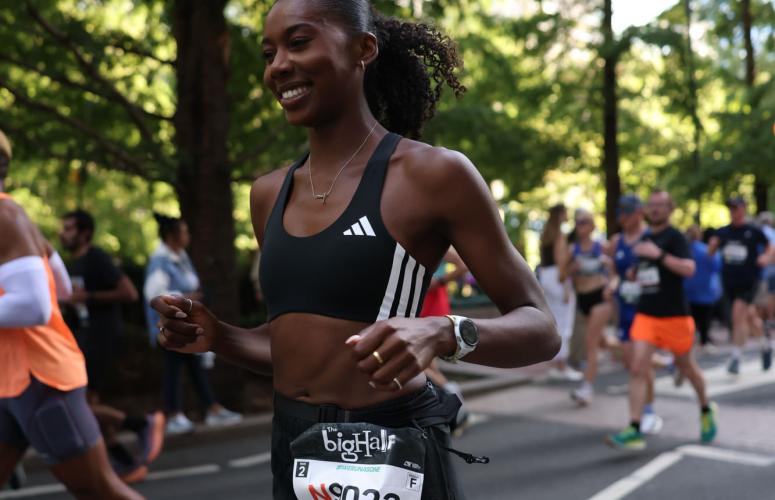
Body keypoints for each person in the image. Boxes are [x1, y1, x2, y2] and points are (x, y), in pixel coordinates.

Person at [151, 1, 560, 497]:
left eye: (299, 42)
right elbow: (300, 352)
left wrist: (442, 331)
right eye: (268, 52)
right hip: (294, 445)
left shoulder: (432, 176)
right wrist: (220, 337)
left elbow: (541, 329)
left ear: (364, 49)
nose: (278, 65)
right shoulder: (268, 194)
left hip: (392, 443)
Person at [0, 129, 143, 498]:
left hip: (41, 381)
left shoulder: (4, 215)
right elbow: (62, 287)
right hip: (10, 382)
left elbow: (35, 305)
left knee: (101, 491)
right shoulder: (18, 218)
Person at [606, 190, 717, 450]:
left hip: (675, 315)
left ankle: (706, 408)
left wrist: (659, 256)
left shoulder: (675, 237)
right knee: (637, 367)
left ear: (670, 209)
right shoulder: (644, 238)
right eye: (651, 205)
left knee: (687, 368)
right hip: (646, 314)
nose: (655, 209)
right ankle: (634, 427)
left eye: (660, 205)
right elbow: (644, 271)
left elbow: (689, 269)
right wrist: (634, 273)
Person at [59, 210, 164, 479]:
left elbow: (129, 292)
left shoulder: (97, 258)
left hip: (101, 338)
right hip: (85, 338)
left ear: (85, 233)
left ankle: (141, 424)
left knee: (80, 406)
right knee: (89, 404)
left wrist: (88, 296)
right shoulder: (73, 263)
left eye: (69, 228)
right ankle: (126, 462)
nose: (63, 233)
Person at [144, 214, 242, 434]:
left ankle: (210, 409)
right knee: (173, 369)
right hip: (168, 327)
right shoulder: (160, 261)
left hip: (183, 325)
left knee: (193, 367)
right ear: (172, 236)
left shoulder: (180, 257)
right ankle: (175, 414)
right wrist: (188, 298)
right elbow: (155, 295)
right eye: (184, 231)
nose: (188, 235)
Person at [606, 195, 661, 433]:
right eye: (621, 213)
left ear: (640, 212)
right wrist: (612, 282)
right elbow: (613, 272)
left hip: (647, 311)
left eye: (627, 213)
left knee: (641, 364)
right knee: (631, 362)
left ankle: (646, 412)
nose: (623, 218)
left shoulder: (652, 238)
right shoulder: (617, 241)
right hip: (625, 309)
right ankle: (645, 406)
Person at [708, 197, 774, 374]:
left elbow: (770, 247)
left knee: (738, 316)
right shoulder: (723, 232)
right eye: (730, 208)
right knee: (750, 316)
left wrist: (766, 258)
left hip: (749, 281)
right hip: (730, 282)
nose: (733, 211)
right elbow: (710, 252)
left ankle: (736, 357)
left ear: (744, 209)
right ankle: (765, 345)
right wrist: (712, 247)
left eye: (736, 208)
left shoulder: (753, 230)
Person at [565, 209, 614, 406]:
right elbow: (563, 276)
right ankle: (664, 362)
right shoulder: (572, 250)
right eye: (577, 222)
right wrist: (571, 270)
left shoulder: (601, 247)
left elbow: (617, 272)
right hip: (582, 299)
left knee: (590, 343)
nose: (581, 226)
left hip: (599, 298)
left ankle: (586, 389)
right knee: (604, 342)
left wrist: (611, 284)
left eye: (584, 222)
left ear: (592, 225)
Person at [538, 204, 582, 381]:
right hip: (557, 279)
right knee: (564, 324)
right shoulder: (559, 236)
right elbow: (562, 265)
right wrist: (566, 286)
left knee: (555, 321)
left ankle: (555, 362)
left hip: (546, 277)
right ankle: (561, 365)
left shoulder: (545, 235)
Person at [684, 224, 722, 352]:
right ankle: (704, 342)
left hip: (687, 290)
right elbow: (717, 267)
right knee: (705, 318)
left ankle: (689, 342)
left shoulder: (683, 250)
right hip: (706, 290)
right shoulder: (706, 250)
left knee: (690, 319)